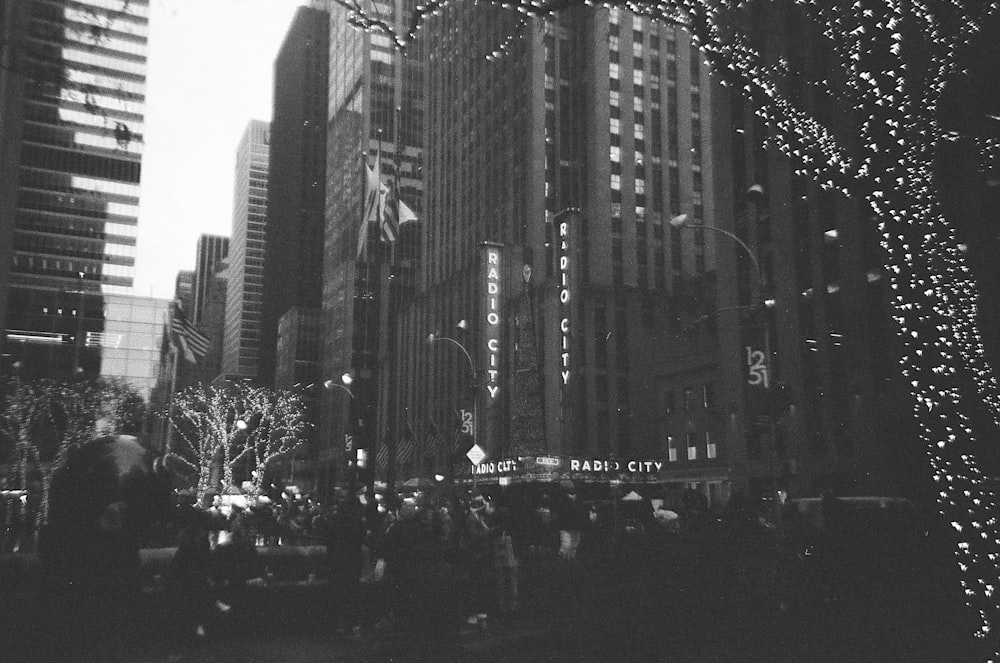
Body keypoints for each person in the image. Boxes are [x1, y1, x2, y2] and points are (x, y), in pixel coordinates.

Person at [324, 499, 367, 636]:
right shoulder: (357, 522)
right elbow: (362, 538)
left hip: (338, 561)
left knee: (338, 592)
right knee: (352, 592)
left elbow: (329, 541)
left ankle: (338, 624)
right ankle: (352, 623)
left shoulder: (335, 521)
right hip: (353, 560)